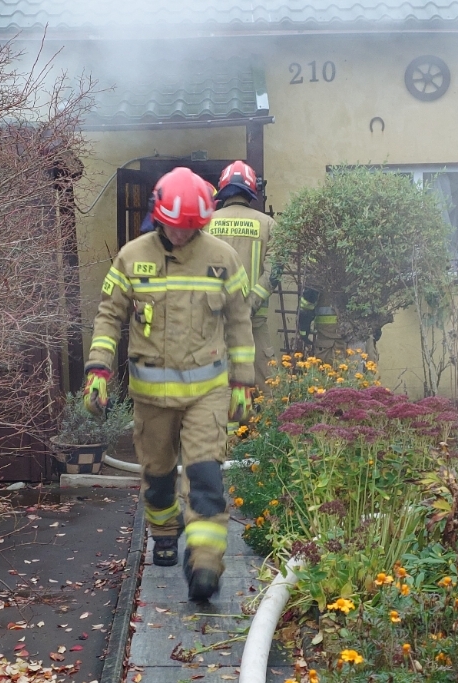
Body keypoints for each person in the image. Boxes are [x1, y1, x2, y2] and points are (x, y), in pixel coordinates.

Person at [82, 167, 255, 601]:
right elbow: (108, 316)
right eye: (175, 227)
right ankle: (164, 531)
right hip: (151, 398)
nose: (182, 235)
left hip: (206, 395)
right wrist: (98, 369)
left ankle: (205, 565)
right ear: (160, 217)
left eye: (191, 228)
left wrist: (242, 382)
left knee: (206, 477)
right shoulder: (131, 257)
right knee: (158, 476)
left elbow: (239, 322)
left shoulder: (222, 259)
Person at [206, 162, 279, 395]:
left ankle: (226, 432)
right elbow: (274, 272)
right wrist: (248, 306)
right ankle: (263, 432)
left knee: (216, 390)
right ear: (251, 189)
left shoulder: (205, 224)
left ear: (223, 187)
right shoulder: (268, 225)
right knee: (266, 389)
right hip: (254, 326)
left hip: (213, 326)